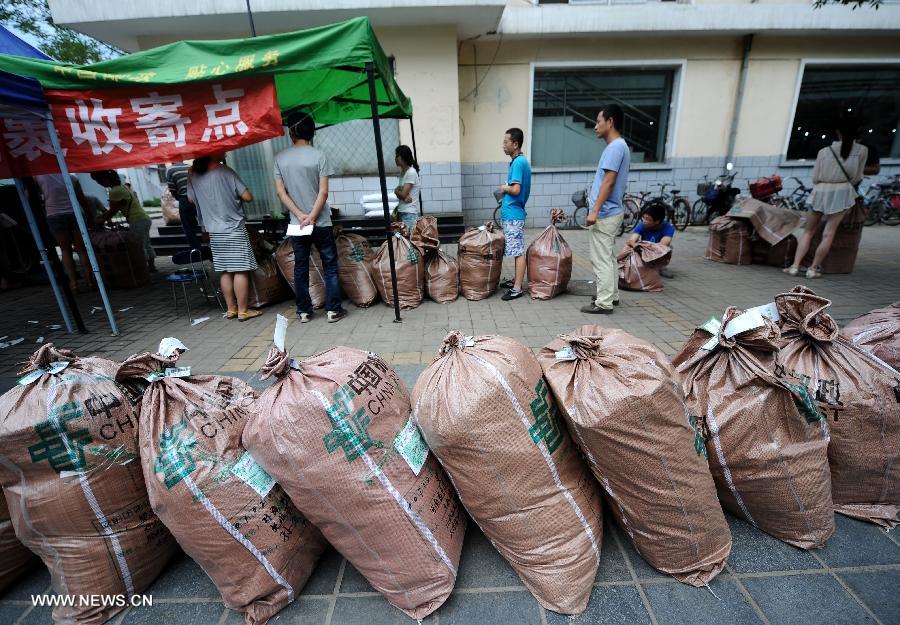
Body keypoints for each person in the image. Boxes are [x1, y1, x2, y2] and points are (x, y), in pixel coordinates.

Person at [274, 112, 347, 324]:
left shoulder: (280, 158)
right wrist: (313, 216)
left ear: (291, 132)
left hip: (298, 225)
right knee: (330, 265)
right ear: (312, 132)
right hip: (321, 221)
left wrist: (300, 216)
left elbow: (281, 193)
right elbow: (323, 193)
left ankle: (304, 312)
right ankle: (333, 310)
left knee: (300, 266)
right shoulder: (319, 156)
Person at [784, 119, 867, 279]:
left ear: (838, 132)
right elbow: (857, 177)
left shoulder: (824, 151)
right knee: (829, 233)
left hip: (820, 191)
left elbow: (815, 177)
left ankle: (795, 266)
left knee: (808, 231)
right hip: (843, 192)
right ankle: (813, 269)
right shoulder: (861, 151)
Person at [186, 154, 262, 321]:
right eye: (223, 149)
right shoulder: (225, 171)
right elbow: (247, 196)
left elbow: (190, 199)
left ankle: (231, 310)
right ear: (214, 151)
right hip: (233, 228)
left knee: (225, 270)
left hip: (213, 230)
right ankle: (243, 310)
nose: (226, 152)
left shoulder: (193, 173)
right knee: (240, 269)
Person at [582, 104, 631, 314]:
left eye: (598, 121)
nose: (595, 126)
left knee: (601, 258)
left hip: (605, 213)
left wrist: (594, 211)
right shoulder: (620, 146)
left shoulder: (615, 147)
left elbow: (608, 181)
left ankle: (604, 302)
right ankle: (611, 295)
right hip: (611, 212)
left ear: (610, 122)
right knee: (609, 257)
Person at [33, 173, 94, 291]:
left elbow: (28, 195)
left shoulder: (38, 177)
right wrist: (90, 216)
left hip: (54, 215)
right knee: (81, 249)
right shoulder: (71, 177)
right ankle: (90, 281)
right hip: (74, 213)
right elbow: (82, 200)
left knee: (66, 251)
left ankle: (74, 283)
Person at [92, 170, 157, 273]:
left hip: (137, 220)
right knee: (146, 243)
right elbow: (117, 207)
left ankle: (143, 270)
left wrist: (101, 219)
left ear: (107, 179)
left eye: (100, 181)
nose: (100, 184)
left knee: (139, 246)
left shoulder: (114, 191)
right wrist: (105, 217)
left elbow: (113, 210)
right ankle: (151, 267)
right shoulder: (123, 187)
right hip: (143, 218)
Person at [498, 127, 531, 301]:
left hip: (514, 214)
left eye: (506, 142)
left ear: (515, 144)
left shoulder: (518, 162)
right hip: (512, 213)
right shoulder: (519, 161)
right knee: (515, 248)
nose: (503, 145)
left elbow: (516, 190)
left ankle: (517, 288)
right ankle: (515, 281)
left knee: (518, 251)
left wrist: (504, 188)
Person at [166, 161, 202, 251]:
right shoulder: (189, 167)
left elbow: (172, 188)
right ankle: (210, 246)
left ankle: (196, 250)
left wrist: (179, 198)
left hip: (184, 199)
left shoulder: (170, 170)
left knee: (188, 227)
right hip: (199, 198)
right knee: (204, 223)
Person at [393, 145, 421, 232]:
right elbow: (400, 194)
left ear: (404, 157)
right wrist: (398, 191)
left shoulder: (411, 172)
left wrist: (397, 191)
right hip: (402, 211)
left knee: (407, 243)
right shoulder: (403, 173)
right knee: (402, 242)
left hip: (409, 214)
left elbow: (403, 194)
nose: (395, 158)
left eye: (397, 155)